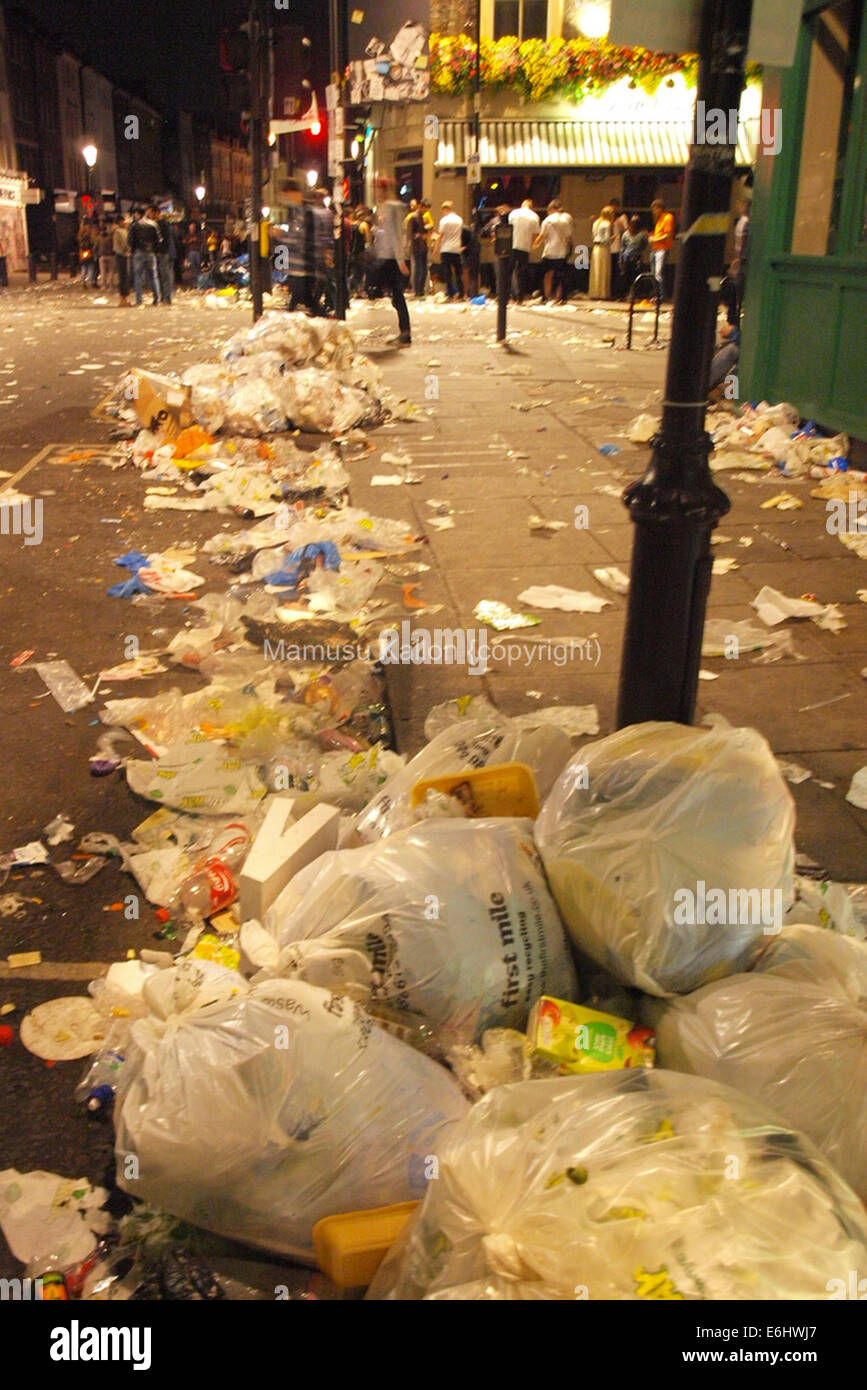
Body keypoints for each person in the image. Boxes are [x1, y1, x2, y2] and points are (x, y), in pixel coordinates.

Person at [373, 176, 411, 344]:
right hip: (386, 256)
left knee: (396, 294)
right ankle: (405, 330)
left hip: (390, 258)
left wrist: (400, 259)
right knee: (395, 294)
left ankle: (405, 331)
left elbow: (396, 233)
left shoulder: (391, 207)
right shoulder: (385, 207)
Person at [533, 199, 573, 304]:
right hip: (561, 252)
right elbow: (569, 237)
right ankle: (559, 298)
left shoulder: (548, 220)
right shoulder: (566, 219)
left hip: (549, 251)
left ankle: (546, 296)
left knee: (547, 275)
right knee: (560, 276)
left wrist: (534, 245)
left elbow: (541, 236)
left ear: (551, 209)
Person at [508, 198, 540, 303]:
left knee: (509, 271)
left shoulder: (513, 213)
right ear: (531, 207)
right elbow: (535, 236)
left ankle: (509, 294)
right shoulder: (534, 217)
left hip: (512, 246)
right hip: (524, 248)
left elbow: (508, 229)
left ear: (522, 205)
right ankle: (519, 297)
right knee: (521, 273)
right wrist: (533, 246)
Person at [128, 205, 161, 305]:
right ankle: (156, 298)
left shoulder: (134, 225)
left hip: (138, 252)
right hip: (150, 252)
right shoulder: (153, 225)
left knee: (138, 276)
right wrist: (155, 250)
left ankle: (139, 299)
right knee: (153, 276)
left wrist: (133, 249)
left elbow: (130, 240)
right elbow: (159, 240)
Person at [434, 200, 464, 300]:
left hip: (446, 248)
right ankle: (461, 292)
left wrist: (436, 248)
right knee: (458, 272)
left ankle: (450, 293)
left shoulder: (444, 220)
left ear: (445, 209)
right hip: (456, 248)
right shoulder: (459, 219)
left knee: (448, 273)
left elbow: (441, 236)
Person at [649, 197, 675, 296]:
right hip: (655, 248)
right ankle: (656, 294)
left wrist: (655, 239)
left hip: (662, 249)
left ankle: (661, 295)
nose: (653, 212)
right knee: (653, 273)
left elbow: (668, 234)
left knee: (658, 273)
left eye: (654, 209)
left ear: (660, 208)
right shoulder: (659, 220)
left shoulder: (667, 217)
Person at [619, 215, 648, 295]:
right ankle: (626, 293)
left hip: (636, 258)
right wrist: (620, 260)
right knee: (626, 277)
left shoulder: (641, 235)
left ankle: (634, 293)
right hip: (626, 257)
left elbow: (644, 246)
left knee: (635, 276)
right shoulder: (626, 234)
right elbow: (623, 247)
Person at [407, 198, 430, 298]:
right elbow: (410, 234)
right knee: (418, 268)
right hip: (417, 246)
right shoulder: (414, 217)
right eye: (425, 209)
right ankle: (417, 290)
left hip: (423, 246)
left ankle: (421, 290)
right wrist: (421, 235)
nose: (426, 211)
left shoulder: (422, 217)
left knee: (424, 268)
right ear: (421, 206)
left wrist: (427, 230)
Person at [589, 205, 613, 299]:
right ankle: (602, 293)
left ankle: (594, 292)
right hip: (603, 248)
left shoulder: (596, 223)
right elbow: (606, 239)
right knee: (603, 270)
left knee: (596, 270)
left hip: (596, 248)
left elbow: (593, 236)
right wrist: (613, 238)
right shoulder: (607, 223)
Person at [732, 195, 750, 321]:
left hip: (743, 259)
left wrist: (738, 258)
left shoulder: (746, 222)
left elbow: (742, 241)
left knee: (740, 289)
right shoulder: (743, 221)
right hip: (741, 258)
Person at [609, 199, 629, 299]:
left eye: (615, 206)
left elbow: (626, 230)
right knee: (611, 271)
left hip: (618, 246)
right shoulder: (608, 217)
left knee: (618, 270)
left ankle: (619, 293)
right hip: (609, 247)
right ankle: (611, 292)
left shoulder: (622, 217)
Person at [153, 206, 173, 305]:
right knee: (160, 275)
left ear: (156, 213)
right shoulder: (157, 224)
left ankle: (166, 297)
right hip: (159, 253)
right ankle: (162, 296)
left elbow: (165, 239)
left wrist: (161, 250)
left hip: (163, 253)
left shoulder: (163, 224)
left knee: (164, 275)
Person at [113, 214, 130, 305]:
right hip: (122, 256)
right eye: (124, 221)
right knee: (123, 277)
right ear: (120, 222)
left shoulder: (121, 231)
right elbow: (124, 244)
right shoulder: (120, 231)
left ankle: (124, 299)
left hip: (121, 255)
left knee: (123, 277)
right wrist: (129, 249)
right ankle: (123, 299)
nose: (126, 223)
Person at [78, 219, 97, 287]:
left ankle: (83, 282)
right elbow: (93, 242)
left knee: (84, 267)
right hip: (89, 252)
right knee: (90, 268)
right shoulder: (90, 234)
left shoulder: (80, 234)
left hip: (82, 252)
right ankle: (92, 281)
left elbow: (79, 242)